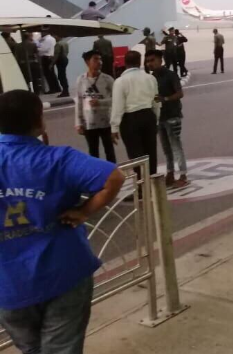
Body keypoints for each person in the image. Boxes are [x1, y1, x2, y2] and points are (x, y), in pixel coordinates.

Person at [0, 90, 125, 354]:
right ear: (39, 120)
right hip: (63, 273)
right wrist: (84, 211)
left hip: (9, 286)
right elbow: (113, 178)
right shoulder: (58, 159)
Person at [110, 51, 160, 174]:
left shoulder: (120, 82)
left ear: (125, 63)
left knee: (136, 154)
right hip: (148, 116)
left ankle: (141, 182)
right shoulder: (151, 78)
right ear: (140, 62)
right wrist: (156, 119)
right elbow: (156, 101)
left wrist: (114, 127)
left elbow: (118, 106)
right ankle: (152, 180)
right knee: (151, 152)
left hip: (130, 120)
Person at [146, 51, 188, 188]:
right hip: (160, 117)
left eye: (152, 60)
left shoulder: (171, 75)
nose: (150, 63)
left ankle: (183, 175)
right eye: (147, 61)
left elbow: (180, 93)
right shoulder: (151, 78)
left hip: (172, 116)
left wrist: (166, 99)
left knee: (175, 145)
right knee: (166, 148)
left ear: (160, 60)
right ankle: (170, 173)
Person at [75, 50, 116, 163]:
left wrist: (101, 102)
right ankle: (96, 173)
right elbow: (79, 101)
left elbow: (116, 100)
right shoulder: (81, 80)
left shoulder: (108, 79)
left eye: (100, 59)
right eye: (96, 59)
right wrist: (78, 122)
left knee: (109, 150)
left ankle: (112, 171)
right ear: (87, 62)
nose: (100, 62)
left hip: (106, 121)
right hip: (89, 122)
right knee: (93, 152)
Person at [36, 27, 60, 94]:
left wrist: (37, 48)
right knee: (51, 74)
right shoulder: (47, 39)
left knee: (48, 74)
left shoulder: (47, 39)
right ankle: (56, 88)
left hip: (46, 57)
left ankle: (52, 88)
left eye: (42, 32)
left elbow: (44, 49)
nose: (41, 33)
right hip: (49, 57)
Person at [52, 33, 70, 97]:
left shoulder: (58, 44)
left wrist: (52, 64)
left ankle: (65, 91)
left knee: (61, 76)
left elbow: (56, 55)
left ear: (58, 36)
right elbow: (67, 52)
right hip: (65, 59)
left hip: (60, 60)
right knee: (63, 75)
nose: (54, 37)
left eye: (55, 36)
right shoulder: (65, 43)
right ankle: (66, 90)